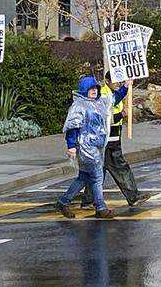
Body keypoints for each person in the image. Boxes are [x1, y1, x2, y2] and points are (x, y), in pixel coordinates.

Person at [56, 75, 130, 220]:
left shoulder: (100, 102)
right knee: (97, 176)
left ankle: (64, 201)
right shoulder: (79, 106)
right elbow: (73, 127)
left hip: (97, 147)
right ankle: (100, 207)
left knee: (83, 177)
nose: (94, 91)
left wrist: (126, 86)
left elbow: (115, 97)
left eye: (95, 88)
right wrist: (71, 146)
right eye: (91, 89)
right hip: (86, 147)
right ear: (84, 90)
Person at [79, 72, 149, 208]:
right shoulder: (103, 93)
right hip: (105, 137)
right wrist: (121, 115)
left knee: (100, 169)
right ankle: (132, 196)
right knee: (117, 167)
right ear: (107, 81)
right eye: (116, 81)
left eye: (120, 81)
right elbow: (105, 115)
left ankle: (88, 200)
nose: (118, 83)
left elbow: (116, 99)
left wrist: (126, 86)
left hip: (113, 136)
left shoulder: (112, 91)